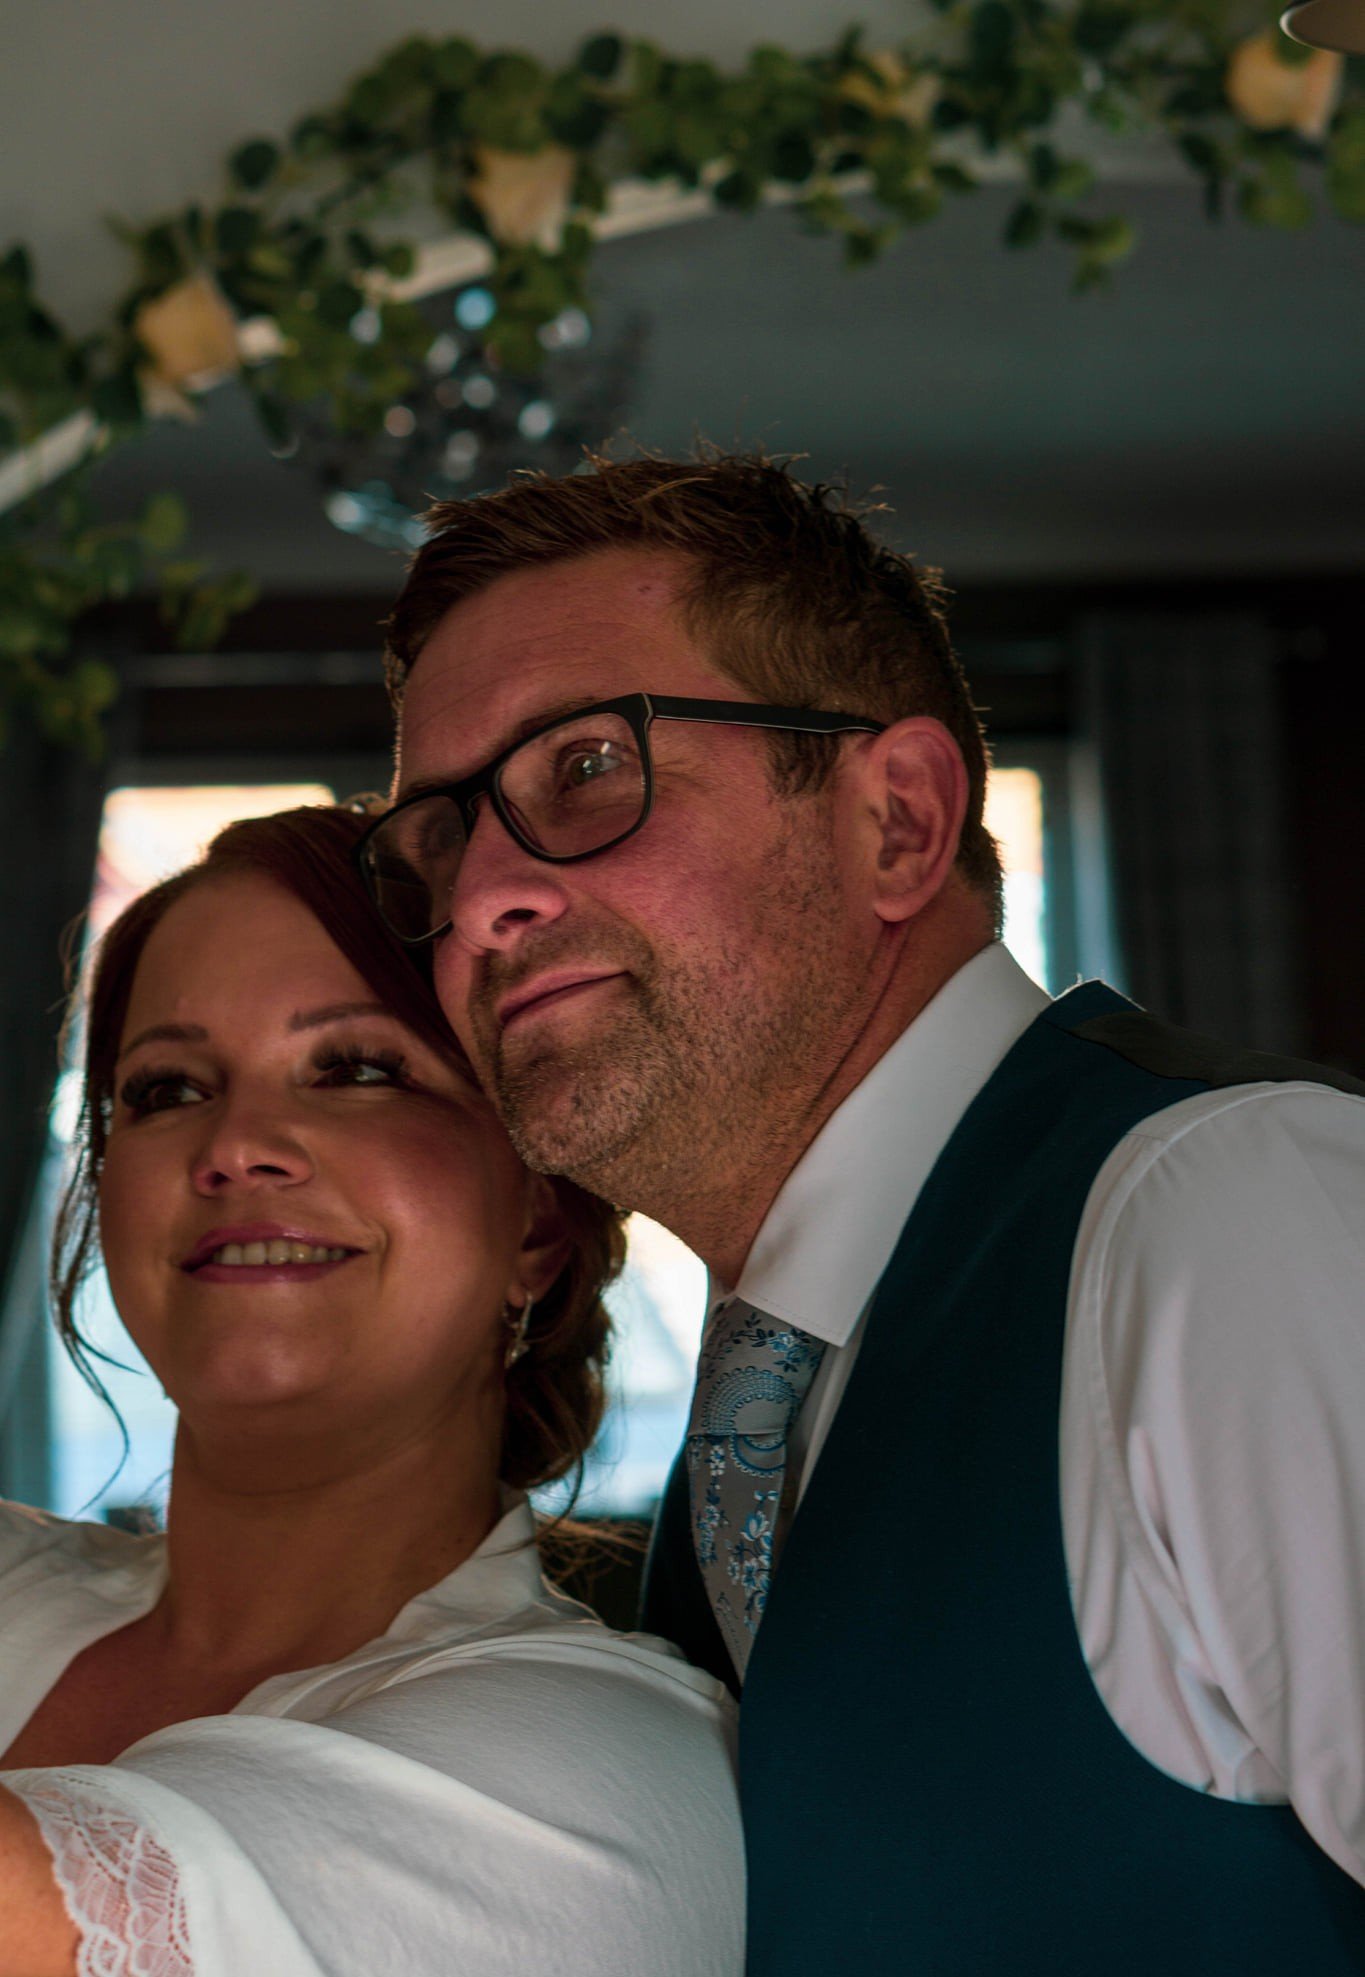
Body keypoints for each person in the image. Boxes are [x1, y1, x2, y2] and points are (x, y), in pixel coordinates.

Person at [357, 450, 1365, 1974]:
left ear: (896, 820)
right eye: (438, 835)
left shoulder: (1225, 1218)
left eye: (584, 768)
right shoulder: (757, 1417)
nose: (482, 894)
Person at [0, 803, 743, 1977]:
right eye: (166, 1087)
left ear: (538, 1225)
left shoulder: (599, 1764)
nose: (237, 1143)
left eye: (354, 1069)